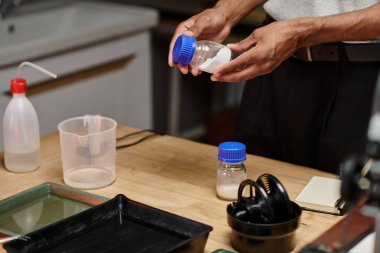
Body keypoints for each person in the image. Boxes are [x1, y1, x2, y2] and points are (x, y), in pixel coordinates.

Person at [168, 0, 380, 174]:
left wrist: (300, 33)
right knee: (249, 186)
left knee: (346, 210)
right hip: (275, 59)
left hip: (365, 77)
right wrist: (225, 13)